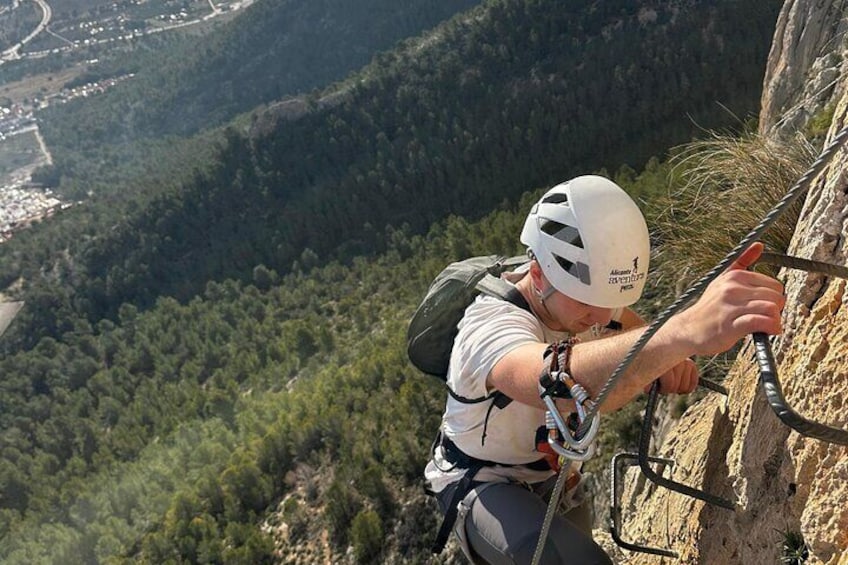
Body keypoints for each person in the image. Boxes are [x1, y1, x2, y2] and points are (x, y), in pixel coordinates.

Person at [423, 175, 785, 564]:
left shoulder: (584, 298)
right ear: (539, 273)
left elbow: (633, 337)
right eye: (586, 302)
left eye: (609, 301)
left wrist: (664, 358)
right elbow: (553, 381)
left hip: (553, 479)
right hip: (483, 483)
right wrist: (683, 330)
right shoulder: (488, 328)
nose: (600, 316)